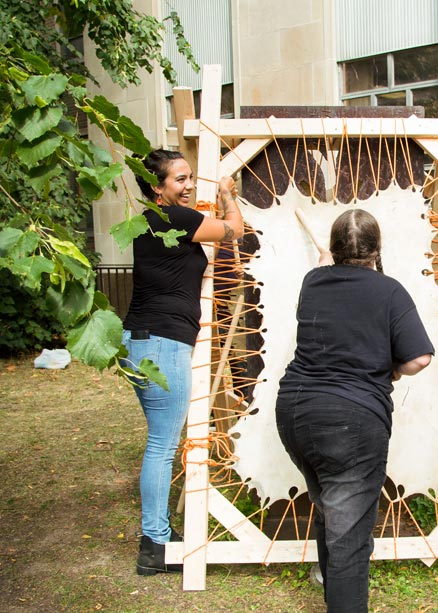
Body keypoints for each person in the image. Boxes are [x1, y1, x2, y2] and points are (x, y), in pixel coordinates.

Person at [275, 209, 434, 613]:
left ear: (332, 249)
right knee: (349, 536)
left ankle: (333, 587)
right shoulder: (389, 290)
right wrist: (391, 371)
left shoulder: (313, 282)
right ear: (378, 249)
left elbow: (332, 280)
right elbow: (420, 358)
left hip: (295, 411)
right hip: (351, 423)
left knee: (330, 507)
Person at [122, 149, 244, 575]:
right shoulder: (178, 219)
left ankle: (157, 537)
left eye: (191, 177)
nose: (189, 185)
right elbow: (233, 231)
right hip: (164, 343)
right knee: (162, 445)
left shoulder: (145, 223)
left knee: (160, 441)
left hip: (140, 341)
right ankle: (155, 545)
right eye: (179, 179)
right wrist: (227, 193)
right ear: (158, 188)